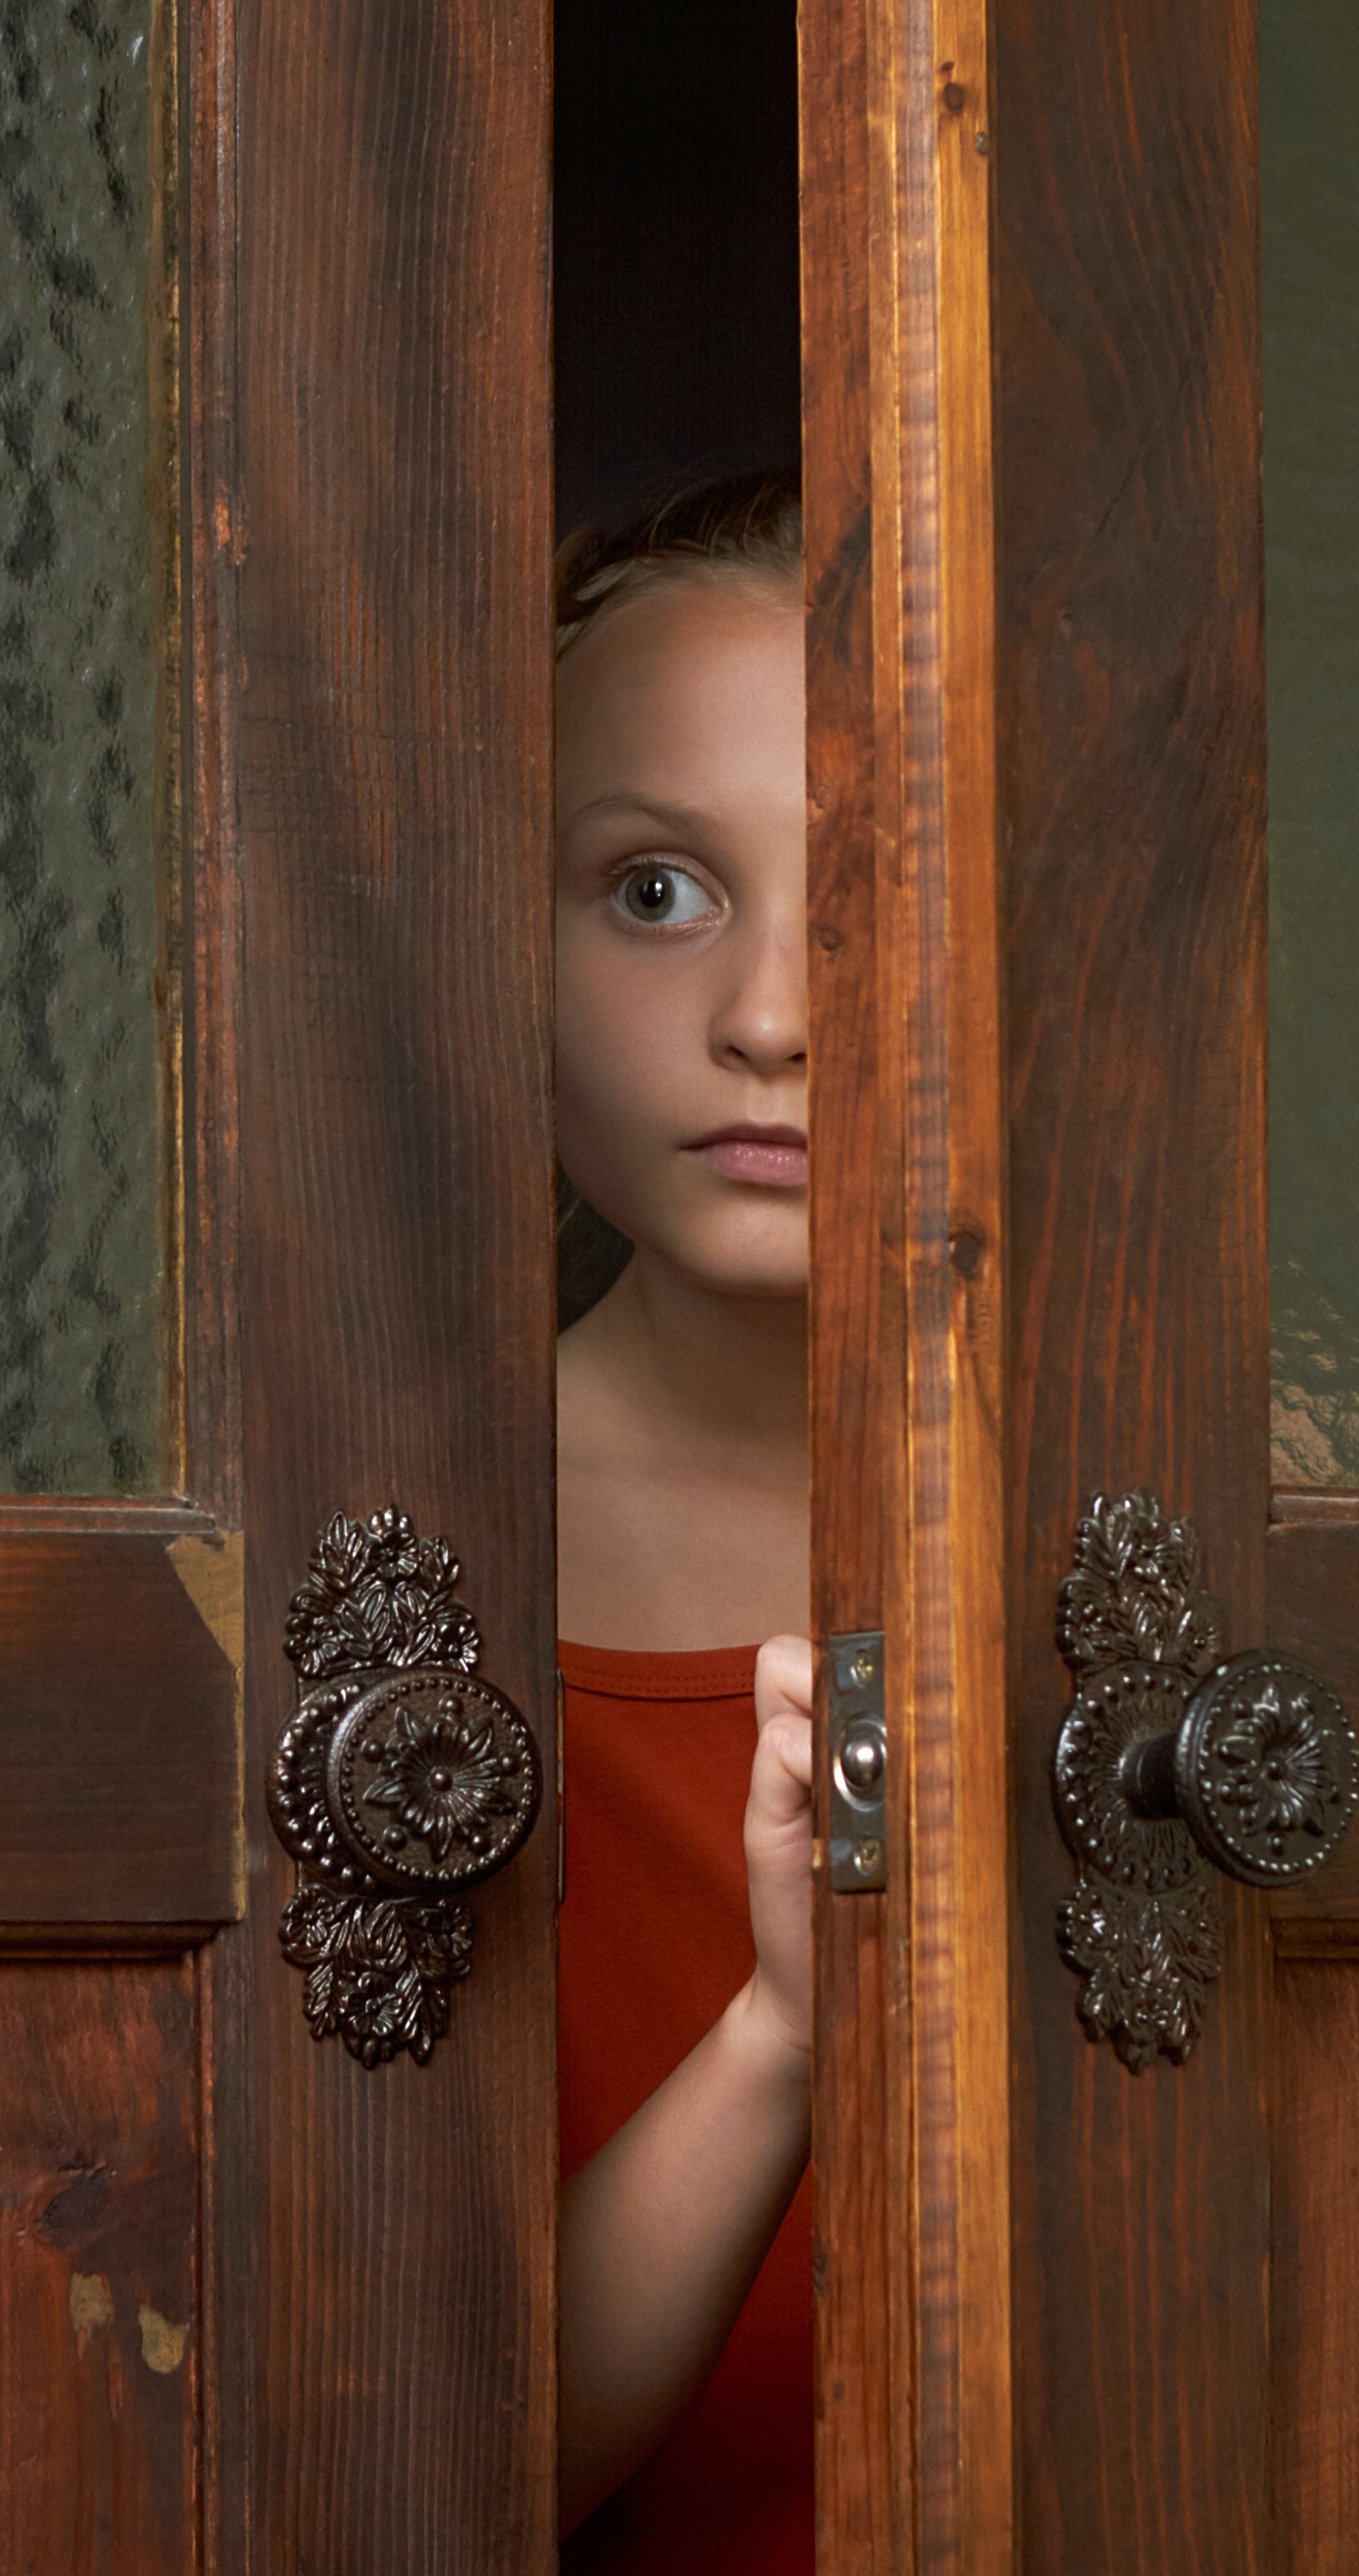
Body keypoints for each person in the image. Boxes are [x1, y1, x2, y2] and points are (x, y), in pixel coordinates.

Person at [548, 469, 823, 2572]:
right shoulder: (385, 1560)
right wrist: (783, 2038)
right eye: (659, 890)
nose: (771, 1021)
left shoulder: (1200, 1531)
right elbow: (423, 2450)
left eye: (870, 887)